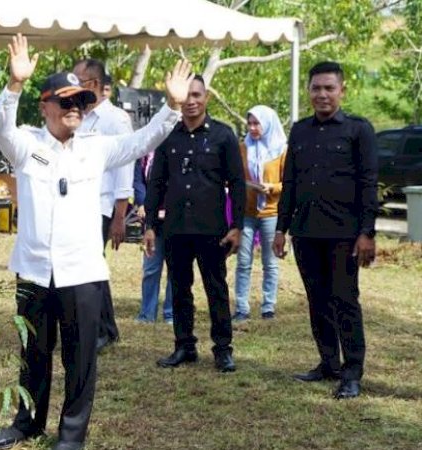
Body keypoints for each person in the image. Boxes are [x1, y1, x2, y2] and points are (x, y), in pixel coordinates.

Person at [0, 34, 191, 450]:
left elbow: (143, 141)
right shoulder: (27, 146)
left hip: (81, 272)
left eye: (80, 102)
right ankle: (27, 422)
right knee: (34, 354)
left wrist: (171, 106)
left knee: (80, 359)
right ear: (44, 107)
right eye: (65, 101)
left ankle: (72, 434)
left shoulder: (95, 150)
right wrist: (14, 85)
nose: (74, 109)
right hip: (33, 271)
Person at [273, 61, 378, 400]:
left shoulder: (358, 130)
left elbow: (368, 183)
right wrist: (280, 228)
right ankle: (328, 363)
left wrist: (367, 232)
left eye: (329, 88)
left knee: (344, 300)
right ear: (309, 91)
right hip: (306, 231)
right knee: (317, 301)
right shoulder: (299, 130)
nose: (322, 94)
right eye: (316, 88)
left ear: (341, 91)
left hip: (344, 234)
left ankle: (352, 371)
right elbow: (289, 182)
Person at [145, 75, 245, 373]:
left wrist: (237, 225)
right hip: (175, 227)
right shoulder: (168, 136)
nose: (191, 101)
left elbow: (237, 183)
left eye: (197, 95)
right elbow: (156, 183)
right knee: (179, 288)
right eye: (186, 95)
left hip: (211, 228)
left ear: (207, 98)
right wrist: (150, 223)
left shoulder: (223, 136)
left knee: (216, 289)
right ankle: (184, 345)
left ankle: (223, 349)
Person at [73, 58, 134, 351]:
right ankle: (106, 327)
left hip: (101, 204)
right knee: (90, 265)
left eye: (78, 81)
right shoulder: (77, 115)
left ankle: (100, 329)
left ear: (94, 85)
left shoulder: (115, 119)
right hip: (77, 202)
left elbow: (125, 168)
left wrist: (120, 216)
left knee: (88, 266)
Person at [232, 106, 287, 323]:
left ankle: (268, 307)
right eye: (250, 123)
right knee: (243, 261)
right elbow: (236, 177)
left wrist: (271, 188)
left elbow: (289, 183)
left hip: (271, 212)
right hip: (247, 211)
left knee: (270, 261)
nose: (253, 128)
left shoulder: (281, 150)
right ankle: (241, 308)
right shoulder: (243, 148)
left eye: (257, 123)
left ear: (268, 124)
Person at [134, 150, 173, 324]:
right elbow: (138, 181)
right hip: (151, 220)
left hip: (175, 218)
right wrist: (143, 204)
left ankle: (171, 312)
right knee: (151, 268)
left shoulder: (177, 148)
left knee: (175, 269)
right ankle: (147, 313)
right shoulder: (144, 155)